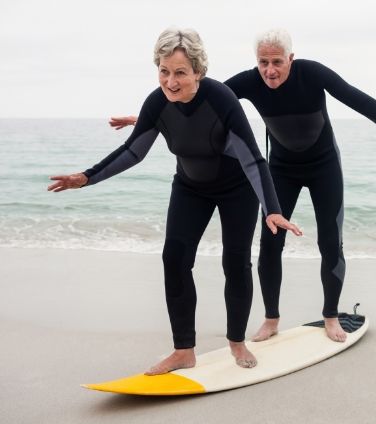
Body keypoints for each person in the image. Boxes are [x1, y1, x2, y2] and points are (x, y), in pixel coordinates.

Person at [108, 29, 376, 344]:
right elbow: (195, 102)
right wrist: (147, 118)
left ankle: (330, 315)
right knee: (270, 244)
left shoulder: (312, 74)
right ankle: (271, 318)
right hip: (280, 169)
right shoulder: (249, 82)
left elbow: (358, 99)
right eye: (263, 62)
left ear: (291, 59)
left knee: (330, 240)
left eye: (277, 62)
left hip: (324, 167)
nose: (269, 70)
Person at [48, 28, 302, 375]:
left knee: (236, 263)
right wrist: (87, 177)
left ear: (197, 71)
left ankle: (236, 342)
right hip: (190, 187)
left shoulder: (221, 100)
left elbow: (253, 160)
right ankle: (184, 350)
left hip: (236, 190)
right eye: (164, 71)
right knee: (175, 259)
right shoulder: (157, 103)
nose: (170, 81)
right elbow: (133, 151)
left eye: (180, 72)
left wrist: (271, 208)